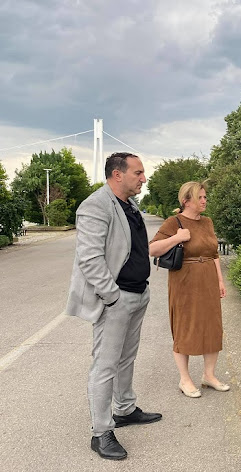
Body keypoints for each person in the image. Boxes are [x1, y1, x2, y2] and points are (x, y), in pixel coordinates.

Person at [66, 152, 161, 461]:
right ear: (117, 175)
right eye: (138, 172)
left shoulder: (130, 205)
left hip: (138, 294)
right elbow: (90, 259)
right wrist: (113, 297)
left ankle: (124, 409)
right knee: (105, 365)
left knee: (126, 358)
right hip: (117, 299)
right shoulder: (95, 205)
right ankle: (101, 432)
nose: (143, 178)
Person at [149, 181, 228, 399]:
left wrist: (220, 280)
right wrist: (177, 238)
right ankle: (185, 379)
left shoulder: (208, 222)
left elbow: (214, 254)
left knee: (212, 326)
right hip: (184, 281)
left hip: (208, 279)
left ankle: (209, 376)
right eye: (200, 197)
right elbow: (152, 249)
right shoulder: (174, 222)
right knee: (185, 326)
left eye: (205, 197)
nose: (204, 200)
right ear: (186, 201)